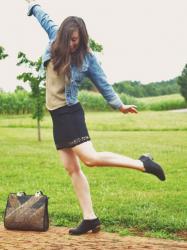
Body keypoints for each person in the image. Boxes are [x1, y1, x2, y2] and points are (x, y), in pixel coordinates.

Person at [24, 0, 166, 235]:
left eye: (76, 40)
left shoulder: (87, 58)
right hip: (56, 116)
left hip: (70, 113)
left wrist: (119, 105)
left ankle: (143, 163)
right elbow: (43, 16)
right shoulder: (54, 39)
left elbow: (103, 83)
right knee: (71, 168)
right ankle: (90, 218)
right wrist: (32, 5)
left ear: (82, 38)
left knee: (89, 158)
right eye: (69, 39)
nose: (72, 43)